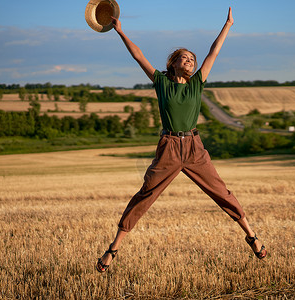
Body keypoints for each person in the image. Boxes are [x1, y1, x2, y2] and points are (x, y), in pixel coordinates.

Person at [96, 7, 267, 273]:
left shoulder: (198, 83)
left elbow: (214, 52)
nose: (189, 61)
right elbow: (138, 55)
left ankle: (252, 236)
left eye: (191, 59)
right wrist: (120, 32)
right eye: (184, 58)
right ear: (173, 63)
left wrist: (228, 25)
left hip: (194, 148)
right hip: (169, 149)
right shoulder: (161, 83)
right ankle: (113, 248)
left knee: (221, 192)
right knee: (146, 194)